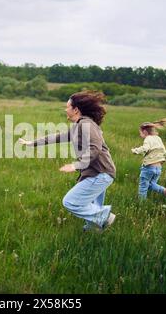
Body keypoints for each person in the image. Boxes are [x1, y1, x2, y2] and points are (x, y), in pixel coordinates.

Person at [19, 91, 116, 232]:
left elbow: (95, 148)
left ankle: (104, 217)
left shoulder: (86, 124)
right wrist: (31, 143)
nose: (66, 109)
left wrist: (76, 165)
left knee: (70, 202)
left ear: (76, 109)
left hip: (100, 173)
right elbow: (56, 137)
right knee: (92, 205)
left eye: (67, 107)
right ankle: (94, 231)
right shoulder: (79, 126)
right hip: (97, 173)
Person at [131, 118, 166, 201]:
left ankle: (141, 204)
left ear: (145, 132)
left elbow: (145, 148)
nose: (140, 135)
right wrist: (163, 161)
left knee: (143, 187)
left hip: (149, 168)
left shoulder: (148, 139)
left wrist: (135, 151)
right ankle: (165, 190)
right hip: (158, 168)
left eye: (140, 133)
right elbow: (164, 151)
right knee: (151, 185)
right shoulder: (158, 138)